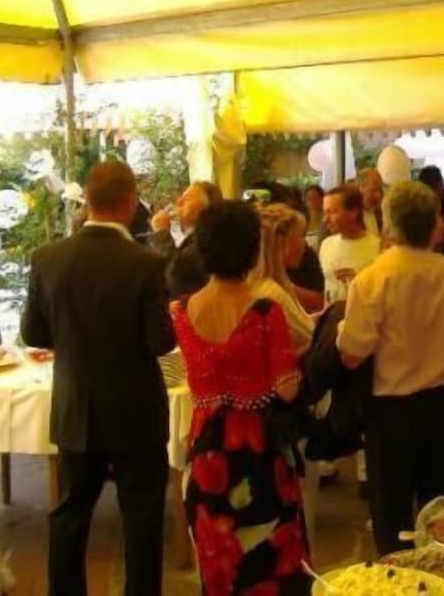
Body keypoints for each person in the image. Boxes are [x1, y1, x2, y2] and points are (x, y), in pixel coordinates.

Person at [20, 161, 175, 596]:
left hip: (76, 407)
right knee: (141, 514)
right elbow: (161, 342)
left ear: (86, 201)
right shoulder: (145, 264)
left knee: (71, 513)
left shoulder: (48, 258)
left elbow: (33, 334)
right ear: (130, 202)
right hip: (135, 410)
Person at [172, 201, 311, 595]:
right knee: (273, 566)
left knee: (221, 568)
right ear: (252, 248)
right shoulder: (265, 311)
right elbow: (286, 387)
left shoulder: (181, 311)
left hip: (206, 451)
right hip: (259, 453)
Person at [337, 181, 444, 555]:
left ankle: (397, 578)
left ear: (389, 223)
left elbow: (352, 354)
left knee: (392, 517)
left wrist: (340, 330)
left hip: (391, 412)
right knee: (441, 516)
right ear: (433, 223)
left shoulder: (372, 278)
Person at [252, 204, 316, 351]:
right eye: (301, 236)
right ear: (281, 241)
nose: (304, 244)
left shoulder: (277, 284)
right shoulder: (271, 292)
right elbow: (308, 338)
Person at [149, 180, 222, 299]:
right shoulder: (195, 236)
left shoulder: (209, 239)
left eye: (187, 198)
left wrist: (161, 232)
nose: (178, 202)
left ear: (209, 207)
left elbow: (175, 273)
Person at [319, 185, 380, 304]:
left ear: (353, 212)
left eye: (332, 212)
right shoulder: (326, 245)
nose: (325, 219)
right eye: (325, 212)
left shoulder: (377, 248)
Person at [356, 168, 385, 237]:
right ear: (360, 188)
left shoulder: (382, 213)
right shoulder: (350, 216)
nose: (378, 196)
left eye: (380, 190)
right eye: (374, 190)